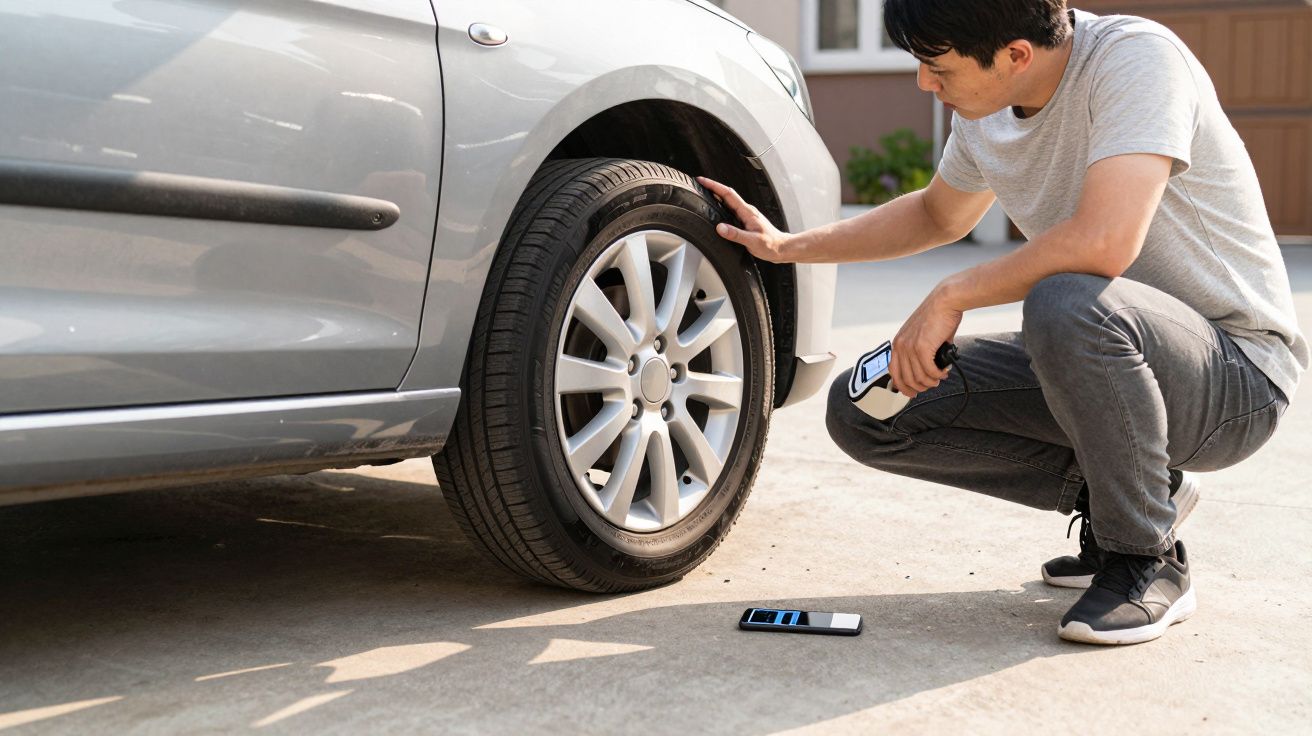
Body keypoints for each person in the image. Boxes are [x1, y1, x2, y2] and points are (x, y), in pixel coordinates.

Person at [697, 0, 1306, 645]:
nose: (924, 85)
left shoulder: (1136, 60)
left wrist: (953, 293)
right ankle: (1135, 495)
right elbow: (938, 215)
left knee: (1065, 298)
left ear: (1016, 55)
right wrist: (790, 245)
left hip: (1235, 377)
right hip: (1107, 354)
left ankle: (1143, 559)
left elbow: (1105, 241)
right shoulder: (987, 111)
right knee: (869, 406)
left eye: (938, 67)